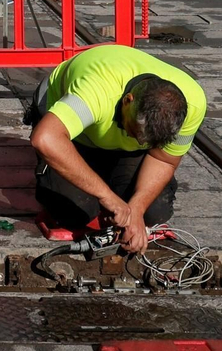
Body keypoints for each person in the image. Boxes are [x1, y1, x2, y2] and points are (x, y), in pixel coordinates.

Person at [26, 44, 206, 254]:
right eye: (134, 131)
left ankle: (112, 180)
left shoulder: (192, 103)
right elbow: (45, 138)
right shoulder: (97, 89)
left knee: (154, 212)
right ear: (127, 101)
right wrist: (107, 197)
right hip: (73, 137)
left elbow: (164, 159)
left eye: (146, 141)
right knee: (75, 213)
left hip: (115, 144)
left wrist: (135, 210)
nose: (139, 142)